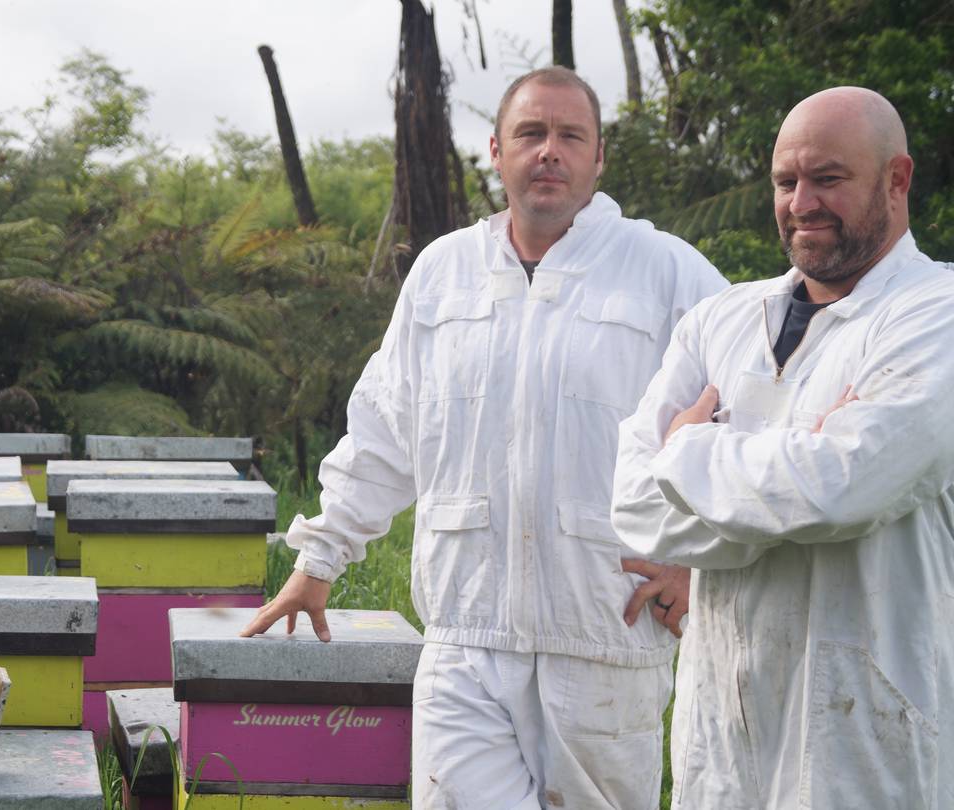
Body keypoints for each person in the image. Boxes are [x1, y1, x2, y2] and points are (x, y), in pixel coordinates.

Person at [241, 67, 727, 808]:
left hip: (604, 639)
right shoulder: (442, 275)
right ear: (496, 152)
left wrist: (701, 567)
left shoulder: (666, 271)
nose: (549, 152)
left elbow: (748, 415)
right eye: (531, 134)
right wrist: (320, 555)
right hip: (465, 636)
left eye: (571, 136)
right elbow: (386, 425)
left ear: (599, 158)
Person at [611, 87, 954, 808]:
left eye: (828, 178)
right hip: (721, 750)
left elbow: (842, 488)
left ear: (897, 179)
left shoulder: (936, 315)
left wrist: (685, 452)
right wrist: (781, 488)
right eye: (785, 181)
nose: (801, 202)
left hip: (866, 749)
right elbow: (634, 508)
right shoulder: (719, 320)